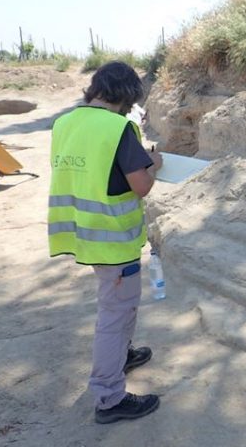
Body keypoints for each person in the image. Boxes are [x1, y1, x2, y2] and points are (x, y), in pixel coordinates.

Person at [48, 61, 163, 424]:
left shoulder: (65, 122)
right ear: (126, 95)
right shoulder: (118, 128)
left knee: (117, 307)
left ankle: (121, 356)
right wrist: (154, 163)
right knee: (115, 314)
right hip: (113, 239)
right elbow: (141, 185)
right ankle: (109, 397)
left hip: (82, 231)